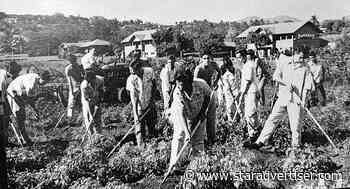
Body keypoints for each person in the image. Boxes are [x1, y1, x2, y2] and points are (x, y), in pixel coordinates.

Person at [245, 50, 315, 154]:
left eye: (303, 58)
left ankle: (295, 149)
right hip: (283, 97)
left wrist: (304, 100)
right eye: (300, 57)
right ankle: (260, 142)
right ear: (294, 55)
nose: (301, 60)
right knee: (272, 119)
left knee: (295, 126)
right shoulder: (284, 63)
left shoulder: (306, 68)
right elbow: (275, 77)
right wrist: (286, 83)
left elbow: (307, 87)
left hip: (296, 101)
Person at [166, 66, 212, 166]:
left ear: (188, 80)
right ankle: (174, 165)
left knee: (198, 140)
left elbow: (209, 96)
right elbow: (181, 113)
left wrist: (203, 112)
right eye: (177, 82)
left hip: (199, 111)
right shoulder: (177, 93)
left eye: (181, 81)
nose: (178, 84)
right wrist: (187, 133)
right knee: (179, 136)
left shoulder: (201, 84)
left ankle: (198, 165)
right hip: (182, 115)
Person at [7, 71, 50, 145]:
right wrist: (34, 109)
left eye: (47, 82)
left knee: (21, 116)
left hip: (20, 92)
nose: (44, 84)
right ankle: (24, 140)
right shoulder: (32, 84)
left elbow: (30, 98)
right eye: (44, 81)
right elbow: (29, 98)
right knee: (19, 115)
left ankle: (24, 138)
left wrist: (34, 109)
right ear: (40, 78)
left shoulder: (36, 78)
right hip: (13, 92)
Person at [126, 58, 157, 148]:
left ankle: (153, 146)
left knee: (152, 125)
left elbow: (154, 85)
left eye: (135, 72)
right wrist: (136, 115)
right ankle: (141, 148)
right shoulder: (131, 79)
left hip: (150, 104)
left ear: (140, 68)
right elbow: (134, 98)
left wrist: (152, 101)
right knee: (140, 129)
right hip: (139, 107)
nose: (134, 74)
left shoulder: (149, 71)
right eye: (132, 72)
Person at [193, 54, 221, 145]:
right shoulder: (198, 69)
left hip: (210, 91)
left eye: (208, 58)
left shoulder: (213, 65)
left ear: (211, 59)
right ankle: (198, 139)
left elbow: (219, 71)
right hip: (201, 93)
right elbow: (195, 83)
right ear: (201, 59)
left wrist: (216, 81)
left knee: (211, 116)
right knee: (201, 115)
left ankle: (212, 138)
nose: (206, 60)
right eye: (204, 58)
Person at [240, 49, 259, 140]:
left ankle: (252, 135)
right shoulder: (248, 65)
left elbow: (248, 81)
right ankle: (254, 132)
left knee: (250, 114)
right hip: (250, 92)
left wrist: (243, 93)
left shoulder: (249, 66)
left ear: (246, 56)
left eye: (240, 57)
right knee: (252, 113)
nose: (239, 59)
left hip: (250, 91)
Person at [0, 61, 21, 146]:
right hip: (1, 102)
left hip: (2, 101)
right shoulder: (6, 77)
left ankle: (5, 142)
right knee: (3, 122)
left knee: (4, 122)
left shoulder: (2, 72)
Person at [80, 71, 104, 136]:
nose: (89, 82)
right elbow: (87, 99)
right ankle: (91, 135)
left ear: (94, 78)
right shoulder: (84, 86)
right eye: (88, 81)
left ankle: (99, 135)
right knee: (89, 117)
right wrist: (92, 113)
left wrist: (100, 100)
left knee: (98, 117)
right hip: (87, 102)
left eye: (91, 80)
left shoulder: (99, 80)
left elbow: (101, 89)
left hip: (96, 97)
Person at [65, 54, 84, 119]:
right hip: (76, 86)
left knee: (75, 102)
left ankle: (75, 117)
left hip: (77, 86)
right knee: (74, 102)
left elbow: (80, 75)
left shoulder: (73, 67)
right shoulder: (71, 68)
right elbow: (71, 80)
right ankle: (72, 117)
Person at [220, 56, 239, 121]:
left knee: (236, 105)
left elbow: (234, 83)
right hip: (227, 90)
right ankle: (230, 120)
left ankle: (237, 119)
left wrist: (234, 93)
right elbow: (226, 85)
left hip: (233, 89)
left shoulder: (233, 71)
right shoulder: (225, 73)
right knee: (229, 105)